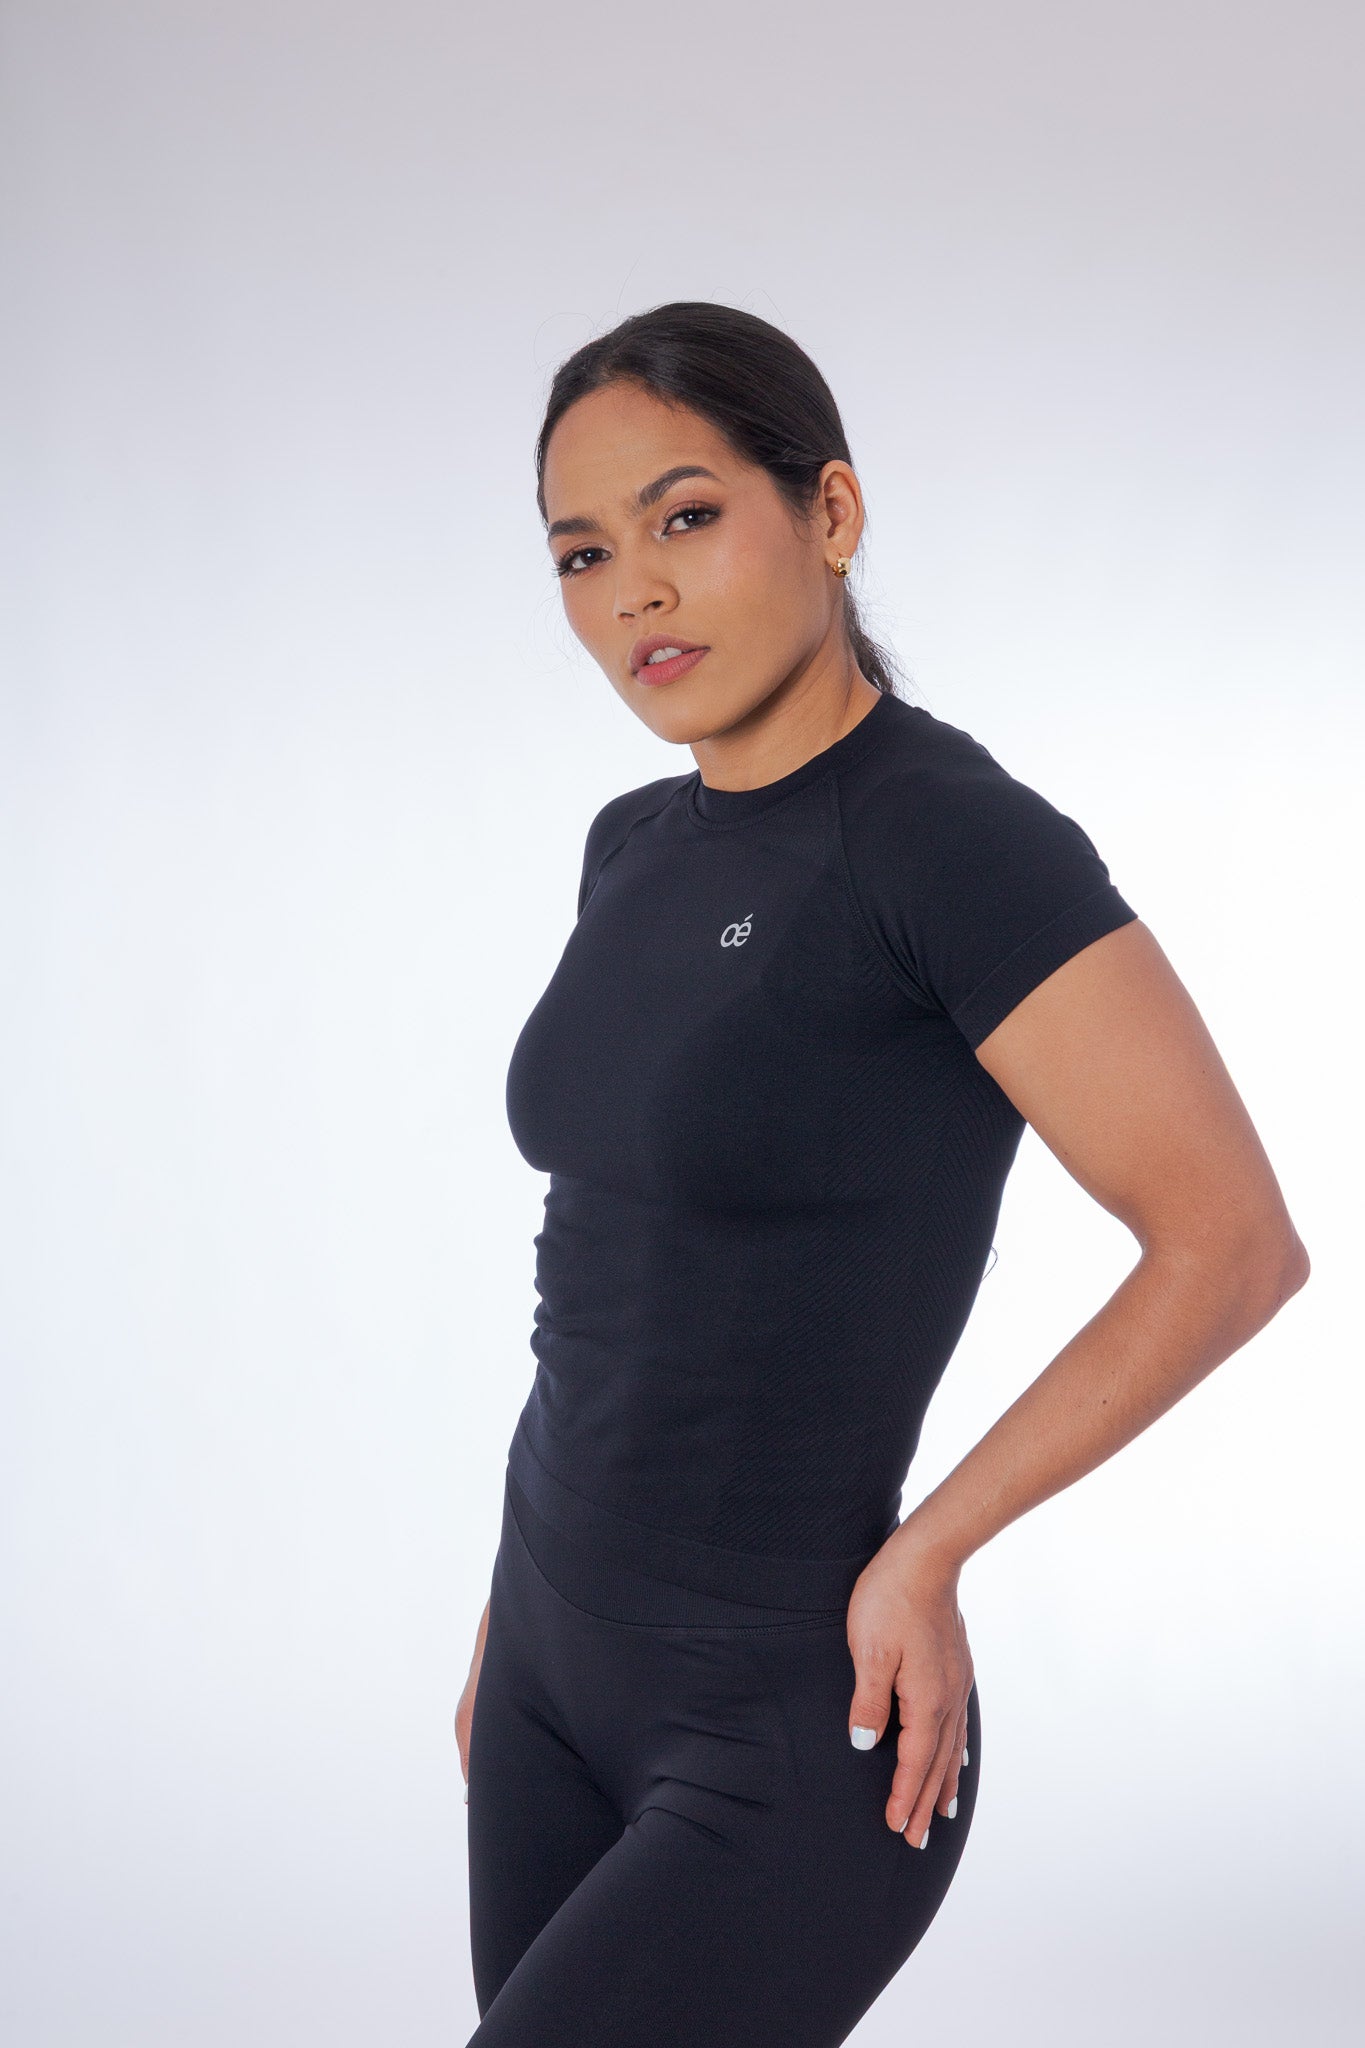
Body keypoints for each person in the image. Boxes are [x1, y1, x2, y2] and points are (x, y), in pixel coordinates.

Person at [455, 301, 1310, 2047]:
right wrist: (509, 1611)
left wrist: (930, 1552)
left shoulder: (946, 842)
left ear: (829, 512)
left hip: (787, 1720)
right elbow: (606, 1262)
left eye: (687, 516)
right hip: (544, 1661)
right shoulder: (631, 844)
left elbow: (1230, 1244)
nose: (634, 593)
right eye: (582, 553)